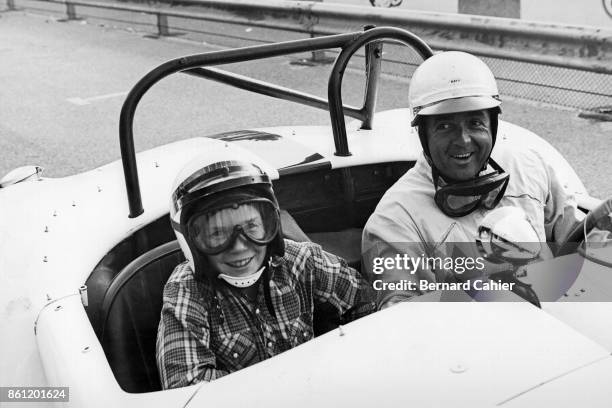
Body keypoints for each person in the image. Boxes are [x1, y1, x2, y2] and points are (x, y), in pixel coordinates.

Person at [362, 51, 589, 307]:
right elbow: (404, 320)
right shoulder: (394, 221)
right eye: (444, 126)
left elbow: (578, 237)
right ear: (422, 133)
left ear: (492, 125)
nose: (464, 140)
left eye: (475, 123)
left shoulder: (529, 167)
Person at [156, 157, 375, 389]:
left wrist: (342, 361)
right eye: (219, 234)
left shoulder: (300, 260)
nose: (239, 246)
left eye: (251, 227)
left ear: (269, 223)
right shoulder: (186, 291)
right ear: (193, 242)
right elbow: (186, 388)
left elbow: (367, 302)